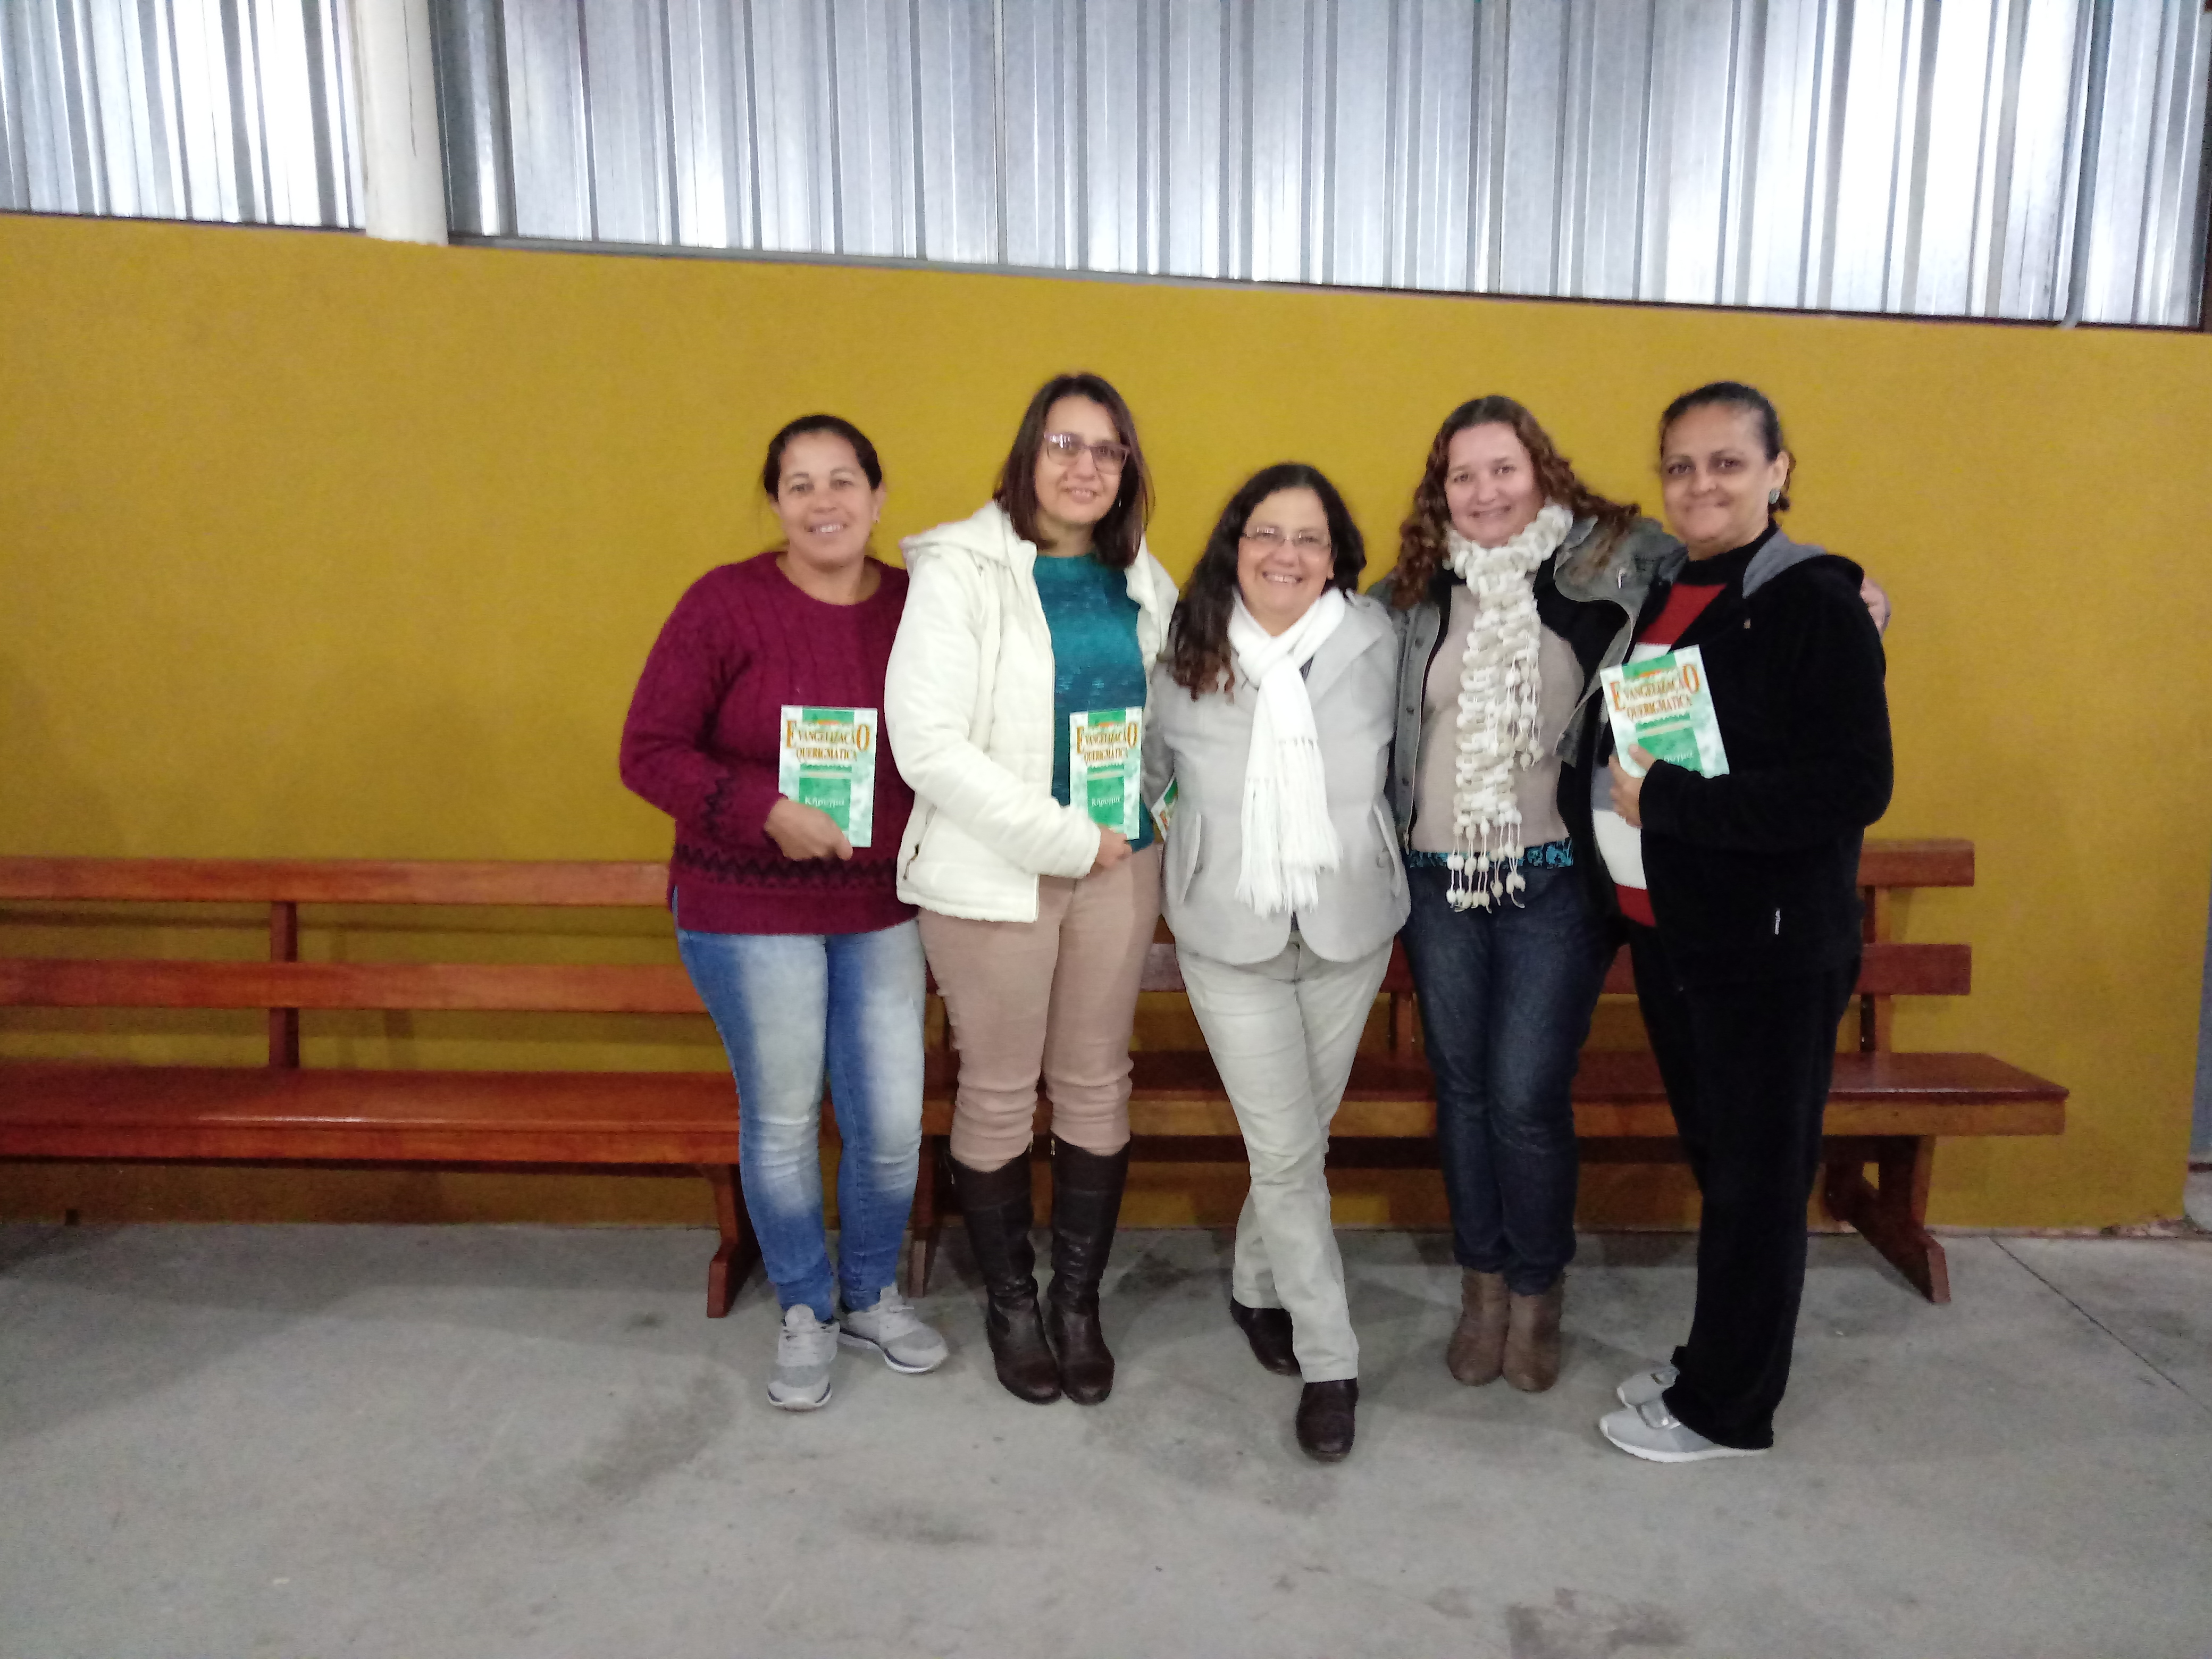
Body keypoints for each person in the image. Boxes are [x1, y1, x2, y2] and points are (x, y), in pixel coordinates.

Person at [619, 414, 944, 1413]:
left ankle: (870, 1292)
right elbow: (650, 751)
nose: (824, 502)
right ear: (776, 503)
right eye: (800, 484)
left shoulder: (920, 608)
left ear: (879, 498)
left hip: (884, 903)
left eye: (843, 480)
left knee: (890, 1121)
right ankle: (806, 1305)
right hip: (748, 903)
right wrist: (764, 811)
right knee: (784, 1118)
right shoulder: (724, 605)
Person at [1593, 381, 1892, 1462]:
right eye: (1680, 466)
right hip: (1678, 933)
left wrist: (1672, 804)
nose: (1700, 485)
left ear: (1778, 471)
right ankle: (1712, 1363)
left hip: (1768, 945)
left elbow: (1855, 784)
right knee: (1725, 1165)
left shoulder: (1811, 600)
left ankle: (1728, 1410)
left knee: (1760, 1181)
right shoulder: (1674, 588)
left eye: (1727, 462)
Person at [883, 373, 1179, 1407]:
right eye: (1065, 444)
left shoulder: (1141, 576)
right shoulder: (959, 569)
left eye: (1108, 449)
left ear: (1126, 469)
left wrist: (1162, 810)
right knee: (1001, 1090)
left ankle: (1077, 1304)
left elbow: (1168, 721)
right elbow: (927, 744)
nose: (1086, 466)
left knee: (1097, 1082)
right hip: (992, 873)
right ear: (1028, 454)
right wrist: (1064, 838)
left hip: (1120, 867)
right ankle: (1012, 1304)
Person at [1374, 397, 1678, 1395]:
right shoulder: (1413, 593)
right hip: (1438, 881)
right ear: (1441, 492)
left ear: (1541, 471)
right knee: (1461, 1091)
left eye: (1502, 468)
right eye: (1462, 476)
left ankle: (1538, 1290)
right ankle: (1484, 1289)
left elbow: (1730, 577)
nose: (1485, 491)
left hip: (1555, 883)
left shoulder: (1618, 563)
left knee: (1525, 1095)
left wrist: (1853, 592)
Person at [1144, 463, 1405, 1462]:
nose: (1285, 554)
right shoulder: (1184, 646)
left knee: (1295, 1145)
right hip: (1230, 933)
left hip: (1349, 929)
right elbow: (1150, 774)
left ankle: (1257, 1286)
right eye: (1266, 532)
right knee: (1290, 1153)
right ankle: (1331, 1359)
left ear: (1335, 556)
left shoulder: (1380, 640)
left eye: (1309, 537)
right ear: (1235, 543)